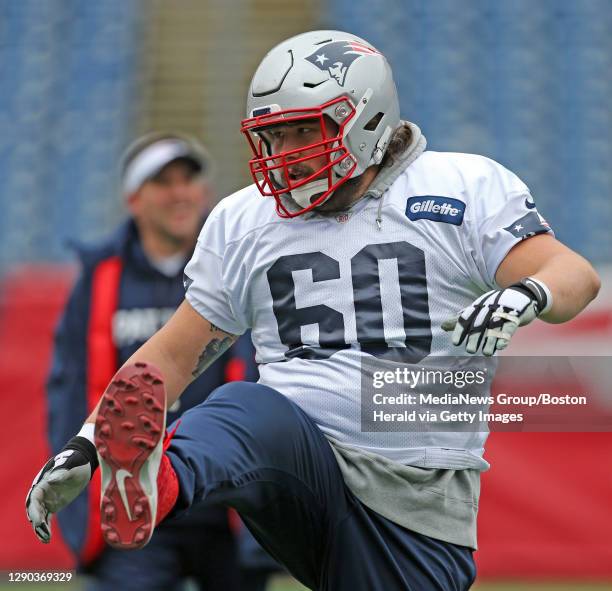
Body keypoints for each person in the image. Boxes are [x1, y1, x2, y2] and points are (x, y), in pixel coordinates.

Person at [27, 31, 601, 590]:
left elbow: (573, 275)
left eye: (303, 131)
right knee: (245, 406)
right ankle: (161, 482)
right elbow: (173, 354)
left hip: (413, 493)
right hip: (297, 456)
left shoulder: (461, 185)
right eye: (273, 137)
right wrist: (89, 442)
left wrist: (528, 294)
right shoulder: (244, 220)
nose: (284, 156)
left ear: (366, 120)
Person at [41, 132, 258, 591]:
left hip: (225, 501)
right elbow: (69, 393)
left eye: (189, 179)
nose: (180, 193)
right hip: (133, 508)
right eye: (163, 182)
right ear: (134, 199)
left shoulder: (236, 267)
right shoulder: (100, 279)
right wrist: (82, 514)